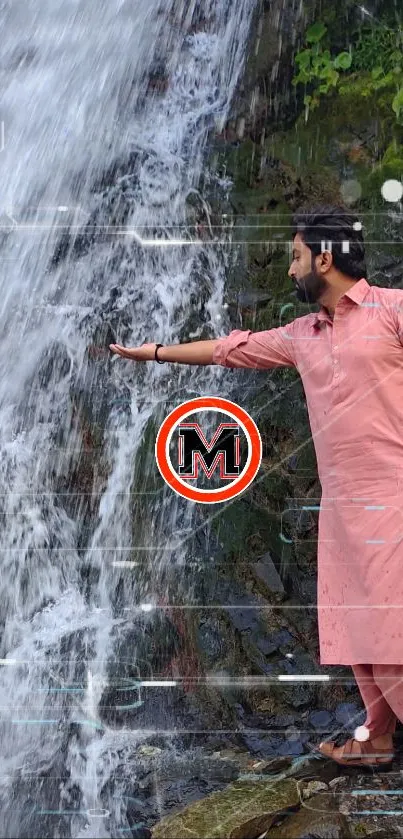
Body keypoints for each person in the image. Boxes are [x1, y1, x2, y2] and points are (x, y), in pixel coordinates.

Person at [110, 204, 403, 769]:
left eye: (296, 258)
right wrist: (151, 353)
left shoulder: (392, 310)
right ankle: (379, 737)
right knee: (359, 617)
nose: (291, 271)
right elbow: (230, 349)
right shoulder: (301, 336)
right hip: (342, 504)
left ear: (324, 257)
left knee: (390, 622)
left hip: (394, 493)